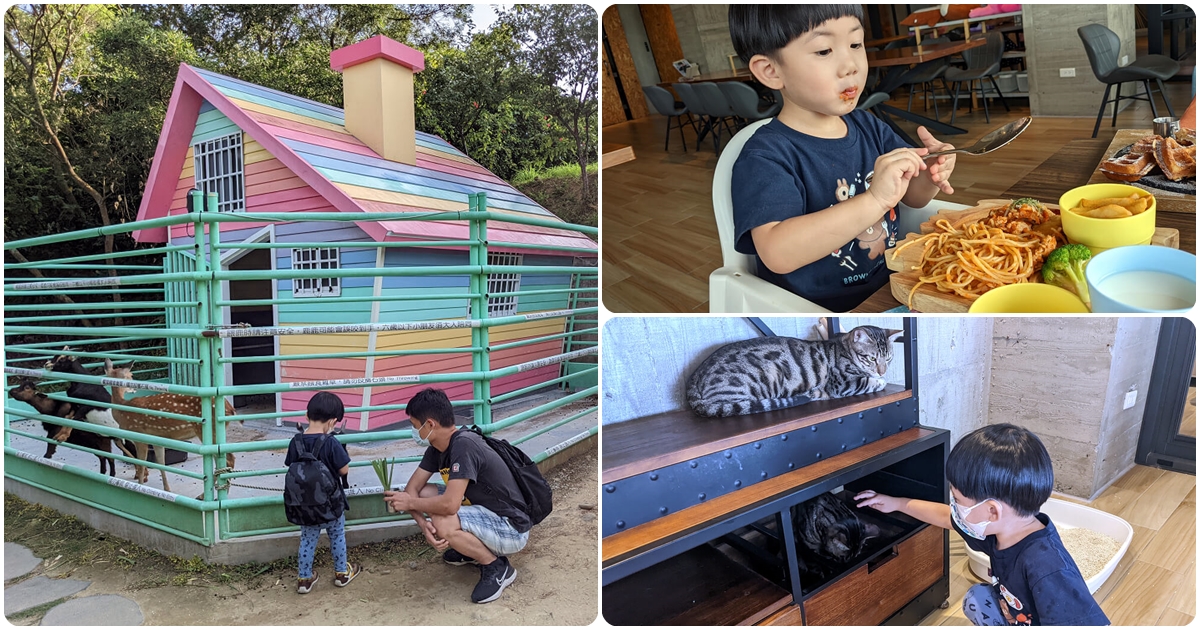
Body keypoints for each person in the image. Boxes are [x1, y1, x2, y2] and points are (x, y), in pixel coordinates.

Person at [727, 5, 958, 311]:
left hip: (892, 287)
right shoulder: (765, 156)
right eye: (824, 51)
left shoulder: (869, 126)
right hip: (818, 310)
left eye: (855, 44)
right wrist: (874, 200)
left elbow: (912, 197)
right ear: (772, 71)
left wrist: (929, 175)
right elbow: (776, 252)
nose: (850, 65)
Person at [855, 424, 1110, 626]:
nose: (954, 506)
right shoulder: (999, 531)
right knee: (977, 599)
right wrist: (897, 503)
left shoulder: (1048, 568)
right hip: (1017, 615)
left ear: (991, 511)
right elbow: (946, 517)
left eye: (957, 499)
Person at [384, 388, 531, 604]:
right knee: (425, 494)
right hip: (485, 513)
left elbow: (450, 505)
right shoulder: (437, 447)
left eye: (415, 426)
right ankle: (470, 549)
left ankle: (496, 566)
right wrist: (423, 524)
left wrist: (412, 504)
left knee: (442, 519)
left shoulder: (464, 445)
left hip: (511, 528)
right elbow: (412, 489)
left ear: (430, 424)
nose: (414, 432)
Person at [285, 391, 360, 594]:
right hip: (330, 504)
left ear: (307, 416)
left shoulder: (296, 442)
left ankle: (304, 578)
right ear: (333, 421)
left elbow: (291, 465)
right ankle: (341, 573)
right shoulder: (331, 442)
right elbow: (343, 470)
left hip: (304, 505)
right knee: (337, 536)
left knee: (308, 539)